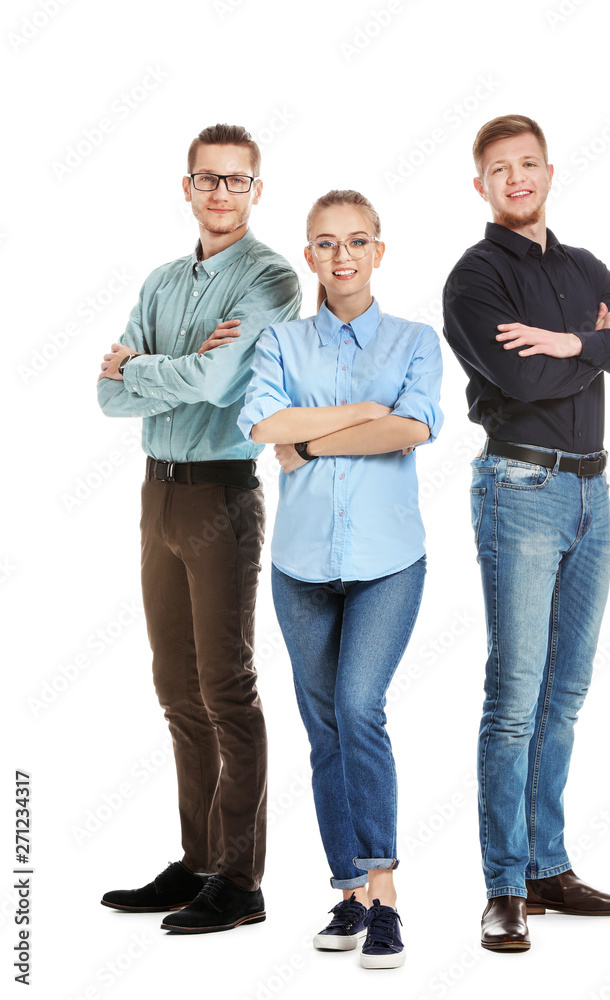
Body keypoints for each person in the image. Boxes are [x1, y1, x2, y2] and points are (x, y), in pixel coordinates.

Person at [442, 115, 610, 953]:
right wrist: (605, 340)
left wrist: (583, 337)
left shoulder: (581, 269)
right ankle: (505, 885)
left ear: (549, 172)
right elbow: (518, 375)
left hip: (592, 491)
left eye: (528, 163)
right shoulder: (474, 278)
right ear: (481, 185)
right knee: (515, 699)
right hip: (522, 484)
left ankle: (549, 867)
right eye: (499, 168)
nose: (516, 177)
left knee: (566, 693)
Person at [96, 123, 301, 934]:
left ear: (257, 190)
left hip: (221, 497)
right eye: (207, 180)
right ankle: (198, 862)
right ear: (187, 188)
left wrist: (139, 368)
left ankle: (242, 882)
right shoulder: (159, 281)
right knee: (175, 690)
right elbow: (106, 399)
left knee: (225, 687)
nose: (221, 193)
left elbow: (219, 383)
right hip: (157, 497)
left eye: (236, 181)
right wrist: (154, 377)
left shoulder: (272, 279)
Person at [238, 189, 443, 969]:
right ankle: (349, 892)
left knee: (360, 707)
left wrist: (317, 440)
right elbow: (265, 424)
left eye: (356, 242)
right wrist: (361, 408)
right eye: (326, 244)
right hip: (300, 566)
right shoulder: (281, 344)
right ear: (310, 255)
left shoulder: (416, 340)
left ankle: (385, 897)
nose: (342, 256)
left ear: (379, 252)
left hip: (388, 562)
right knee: (323, 728)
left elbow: (414, 426)